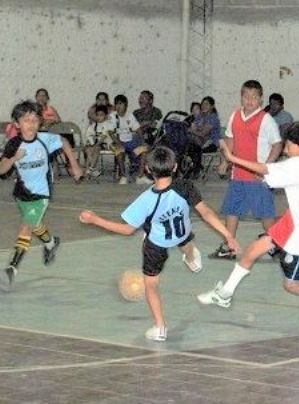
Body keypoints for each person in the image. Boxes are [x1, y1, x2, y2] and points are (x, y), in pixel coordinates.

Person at [79, 146, 240, 342]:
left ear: (147, 169)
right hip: (182, 233)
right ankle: (191, 258)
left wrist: (95, 220)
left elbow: (127, 229)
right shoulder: (185, 186)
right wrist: (227, 235)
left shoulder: (146, 200)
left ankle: (160, 327)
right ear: (175, 167)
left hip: (157, 244)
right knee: (186, 239)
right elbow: (206, 213)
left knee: (151, 285)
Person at [198, 122, 299, 322]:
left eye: (289, 146)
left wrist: (232, 158)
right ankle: (225, 294)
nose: (286, 151)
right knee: (253, 250)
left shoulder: (297, 165)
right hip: (290, 224)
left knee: (291, 285)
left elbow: (264, 169)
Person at [0, 100, 82, 292]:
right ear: (17, 124)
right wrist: (13, 159)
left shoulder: (45, 139)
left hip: (42, 192)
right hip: (22, 192)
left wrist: (74, 164)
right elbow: (2, 170)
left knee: (27, 225)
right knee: (34, 224)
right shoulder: (13, 144)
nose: (31, 124)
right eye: (26, 120)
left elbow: (64, 141)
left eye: (35, 120)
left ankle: (12, 268)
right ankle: (51, 243)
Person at [210, 80, 282, 260]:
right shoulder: (234, 116)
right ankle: (229, 245)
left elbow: (277, 145)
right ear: (241, 97)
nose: (250, 100)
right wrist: (225, 162)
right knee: (232, 210)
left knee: (265, 215)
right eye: (246, 96)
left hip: (257, 178)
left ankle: (279, 244)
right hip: (237, 175)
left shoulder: (266, 120)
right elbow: (229, 140)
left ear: (261, 98)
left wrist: (265, 168)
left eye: (254, 97)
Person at [110, 94, 149, 185]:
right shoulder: (112, 116)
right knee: (119, 151)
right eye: (117, 104)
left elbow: (138, 129)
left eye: (121, 104)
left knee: (144, 150)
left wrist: (143, 142)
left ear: (126, 105)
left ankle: (140, 176)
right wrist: (119, 143)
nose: (119, 106)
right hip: (117, 142)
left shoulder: (130, 116)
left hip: (130, 143)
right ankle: (123, 176)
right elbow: (110, 133)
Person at [84, 105, 115, 177]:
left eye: (101, 115)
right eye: (97, 115)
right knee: (88, 149)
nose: (99, 117)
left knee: (96, 148)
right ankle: (93, 169)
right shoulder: (94, 125)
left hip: (106, 144)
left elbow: (104, 136)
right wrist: (91, 143)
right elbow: (89, 135)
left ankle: (90, 168)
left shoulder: (108, 124)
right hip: (95, 144)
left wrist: (95, 145)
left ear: (106, 116)